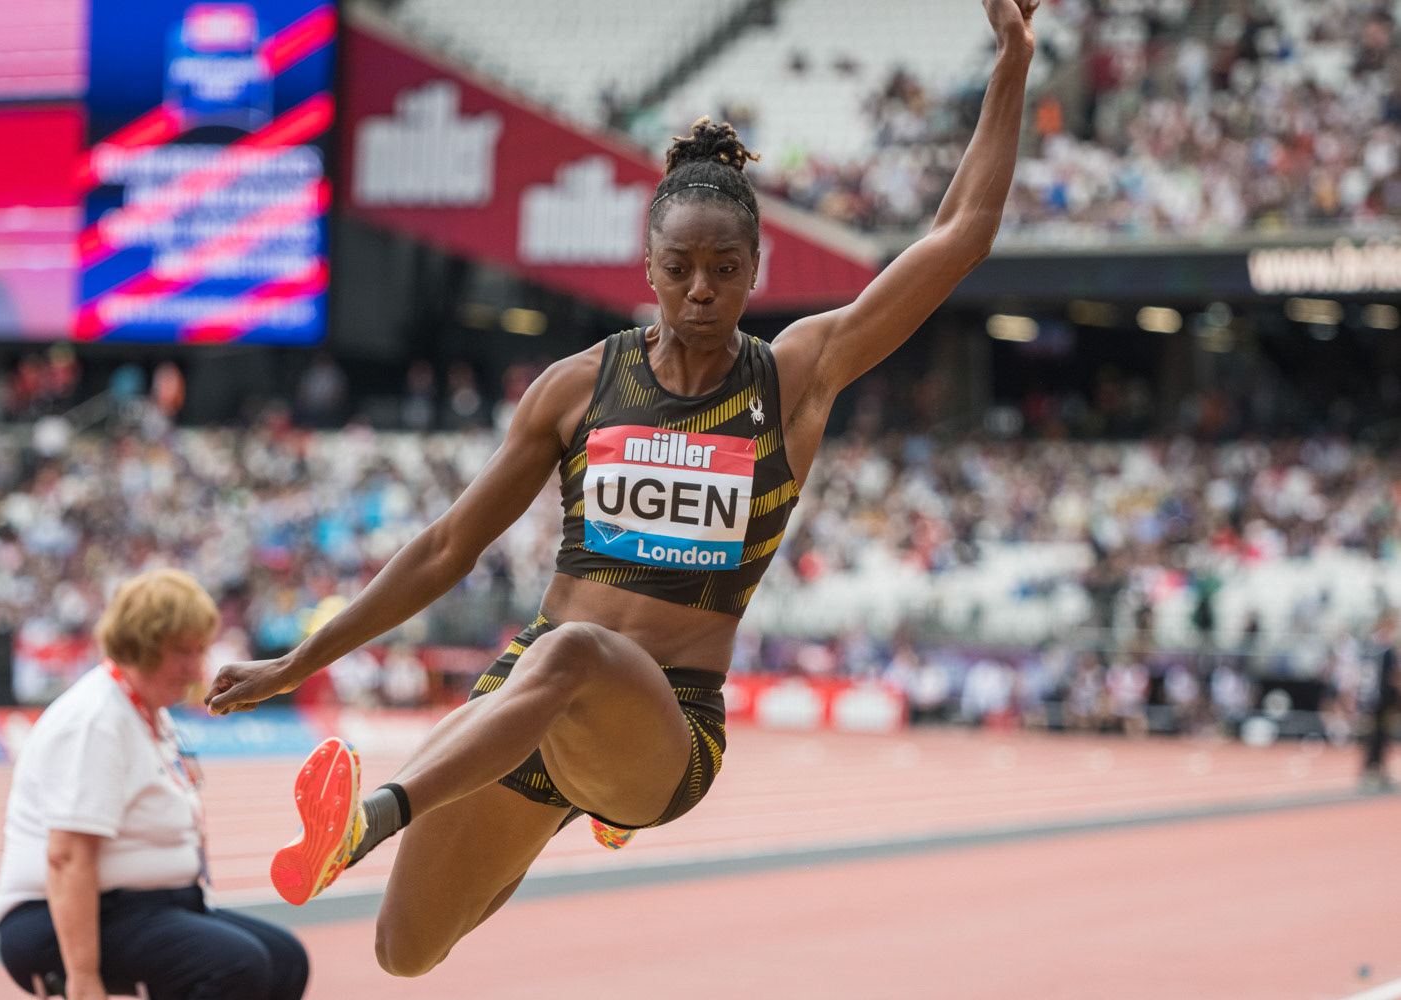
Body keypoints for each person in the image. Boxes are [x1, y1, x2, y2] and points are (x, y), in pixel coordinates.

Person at [206, 0, 1039, 978]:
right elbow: (444, 549)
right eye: (679, 268)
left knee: (574, 653)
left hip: (666, 725)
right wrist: (298, 660)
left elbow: (962, 232)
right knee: (405, 952)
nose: (700, 290)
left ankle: (369, 818)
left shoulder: (794, 377)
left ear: (754, 269)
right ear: (645, 266)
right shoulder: (578, 388)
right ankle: (565, 808)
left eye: (724, 271)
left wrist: (1014, 60)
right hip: (531, 698)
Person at [0, 568, 309, 1000]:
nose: (197, 668)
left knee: (287, 960)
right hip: (56, 920)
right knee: (237, 965)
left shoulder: (149, 714)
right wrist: (83, 979)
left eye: (201, 650)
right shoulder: (95, 720)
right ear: (142, 645)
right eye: (184, 651)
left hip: (150, 906)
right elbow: (68, 857)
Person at [1361, 608, 1398, 793]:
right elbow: (1392, 675)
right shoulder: (1386, 648)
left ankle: (1371, 767)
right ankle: (1375, 768)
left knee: (1373, 735)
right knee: (1380, 735)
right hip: (1382, 697)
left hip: (1369, 697)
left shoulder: (1370, 645)